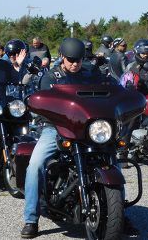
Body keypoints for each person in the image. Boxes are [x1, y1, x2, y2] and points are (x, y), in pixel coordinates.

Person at [21, 38, 116, 238]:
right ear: (62, 57)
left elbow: (111, 90)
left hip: (87, 129)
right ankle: (31, 218)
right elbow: (41, 101)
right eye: (71, 59)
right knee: (35, 165)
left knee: (113, 160)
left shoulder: (91, 74)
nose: (75, 63)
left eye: (79, 60)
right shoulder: (50, 77)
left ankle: (119, 212)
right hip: (55, 128)